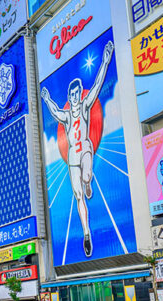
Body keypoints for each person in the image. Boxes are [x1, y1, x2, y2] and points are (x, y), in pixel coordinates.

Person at [41, 40, 115, 258]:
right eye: (71, 95)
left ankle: (88, 180)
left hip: (85, 149)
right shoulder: (66, 115)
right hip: (73, 154)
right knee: (78, 195)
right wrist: (46, 99)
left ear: (78, 95)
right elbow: (54, 111)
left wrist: (105, 59)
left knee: (87, 175)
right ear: (68, 97)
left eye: (76, 94)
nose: (74, 98)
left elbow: (98, 84)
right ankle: (86, 232)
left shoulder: (84, 106)